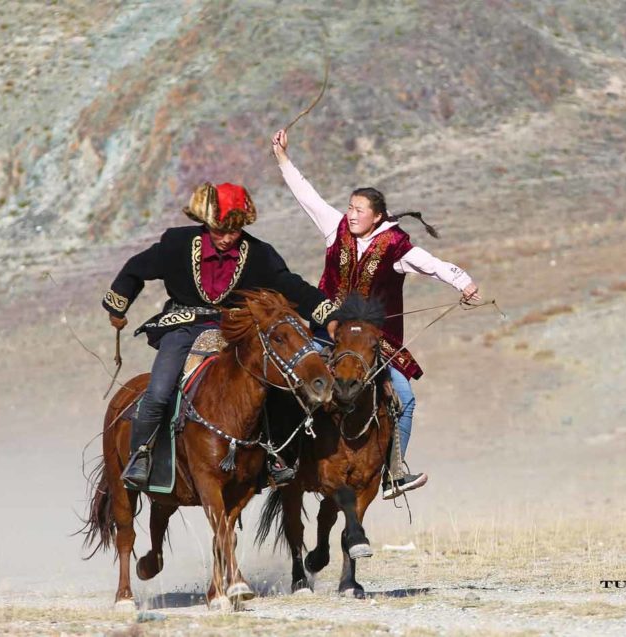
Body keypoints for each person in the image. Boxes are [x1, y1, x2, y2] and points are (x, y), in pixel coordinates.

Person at [271, 129, 482, 500]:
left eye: (358, 210)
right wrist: (283, 158)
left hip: (375, 342)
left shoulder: (397, 247)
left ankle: (393, 471)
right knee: (289, 383)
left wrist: (463, 282)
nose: (351, 215)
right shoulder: (334, 229)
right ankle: (280, 460)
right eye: (350, 208)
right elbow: (307, 195)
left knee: (404, 397)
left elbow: (432, 265)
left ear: (377, 215)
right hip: (327, 331)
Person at [102, 181, 338, 490]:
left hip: (233, 331)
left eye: (234, 232)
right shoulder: (177, 244)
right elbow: (136, 268)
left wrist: (329, 314)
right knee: (159, 390)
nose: (227, 238)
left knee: (270, 386)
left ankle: (273, 455)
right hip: (182, 326)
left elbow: (291, 285)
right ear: (206, 223)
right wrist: (118, 306)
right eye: (219, 231)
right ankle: (141, 454)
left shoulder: (259, 254)